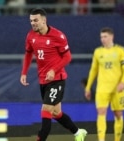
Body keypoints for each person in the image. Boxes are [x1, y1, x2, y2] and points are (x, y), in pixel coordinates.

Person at [20, 8, 87, 141]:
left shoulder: (58, 36)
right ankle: (78, 132)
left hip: (57, 79)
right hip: (43, 79)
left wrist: (53, 70)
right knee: (56, 113)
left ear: (44, 20)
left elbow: (67, 57)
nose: (33, 23)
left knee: (46, 110)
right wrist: (24, 72)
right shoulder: (30, 36)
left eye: (36, 20)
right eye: (31, 21)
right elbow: (28, 53)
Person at [85, 27, 124, 141]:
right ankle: (101, 139)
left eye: (105, 36)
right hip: (102, 88)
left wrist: (123, 82)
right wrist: (88, 87)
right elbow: (93, 70)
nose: (103, 39)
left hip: (117, 88)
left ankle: (117, 139)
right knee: (101, 112)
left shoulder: (121, 50)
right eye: (101, 37)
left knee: (118, 114)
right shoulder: (98, 52)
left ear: (111, 37)